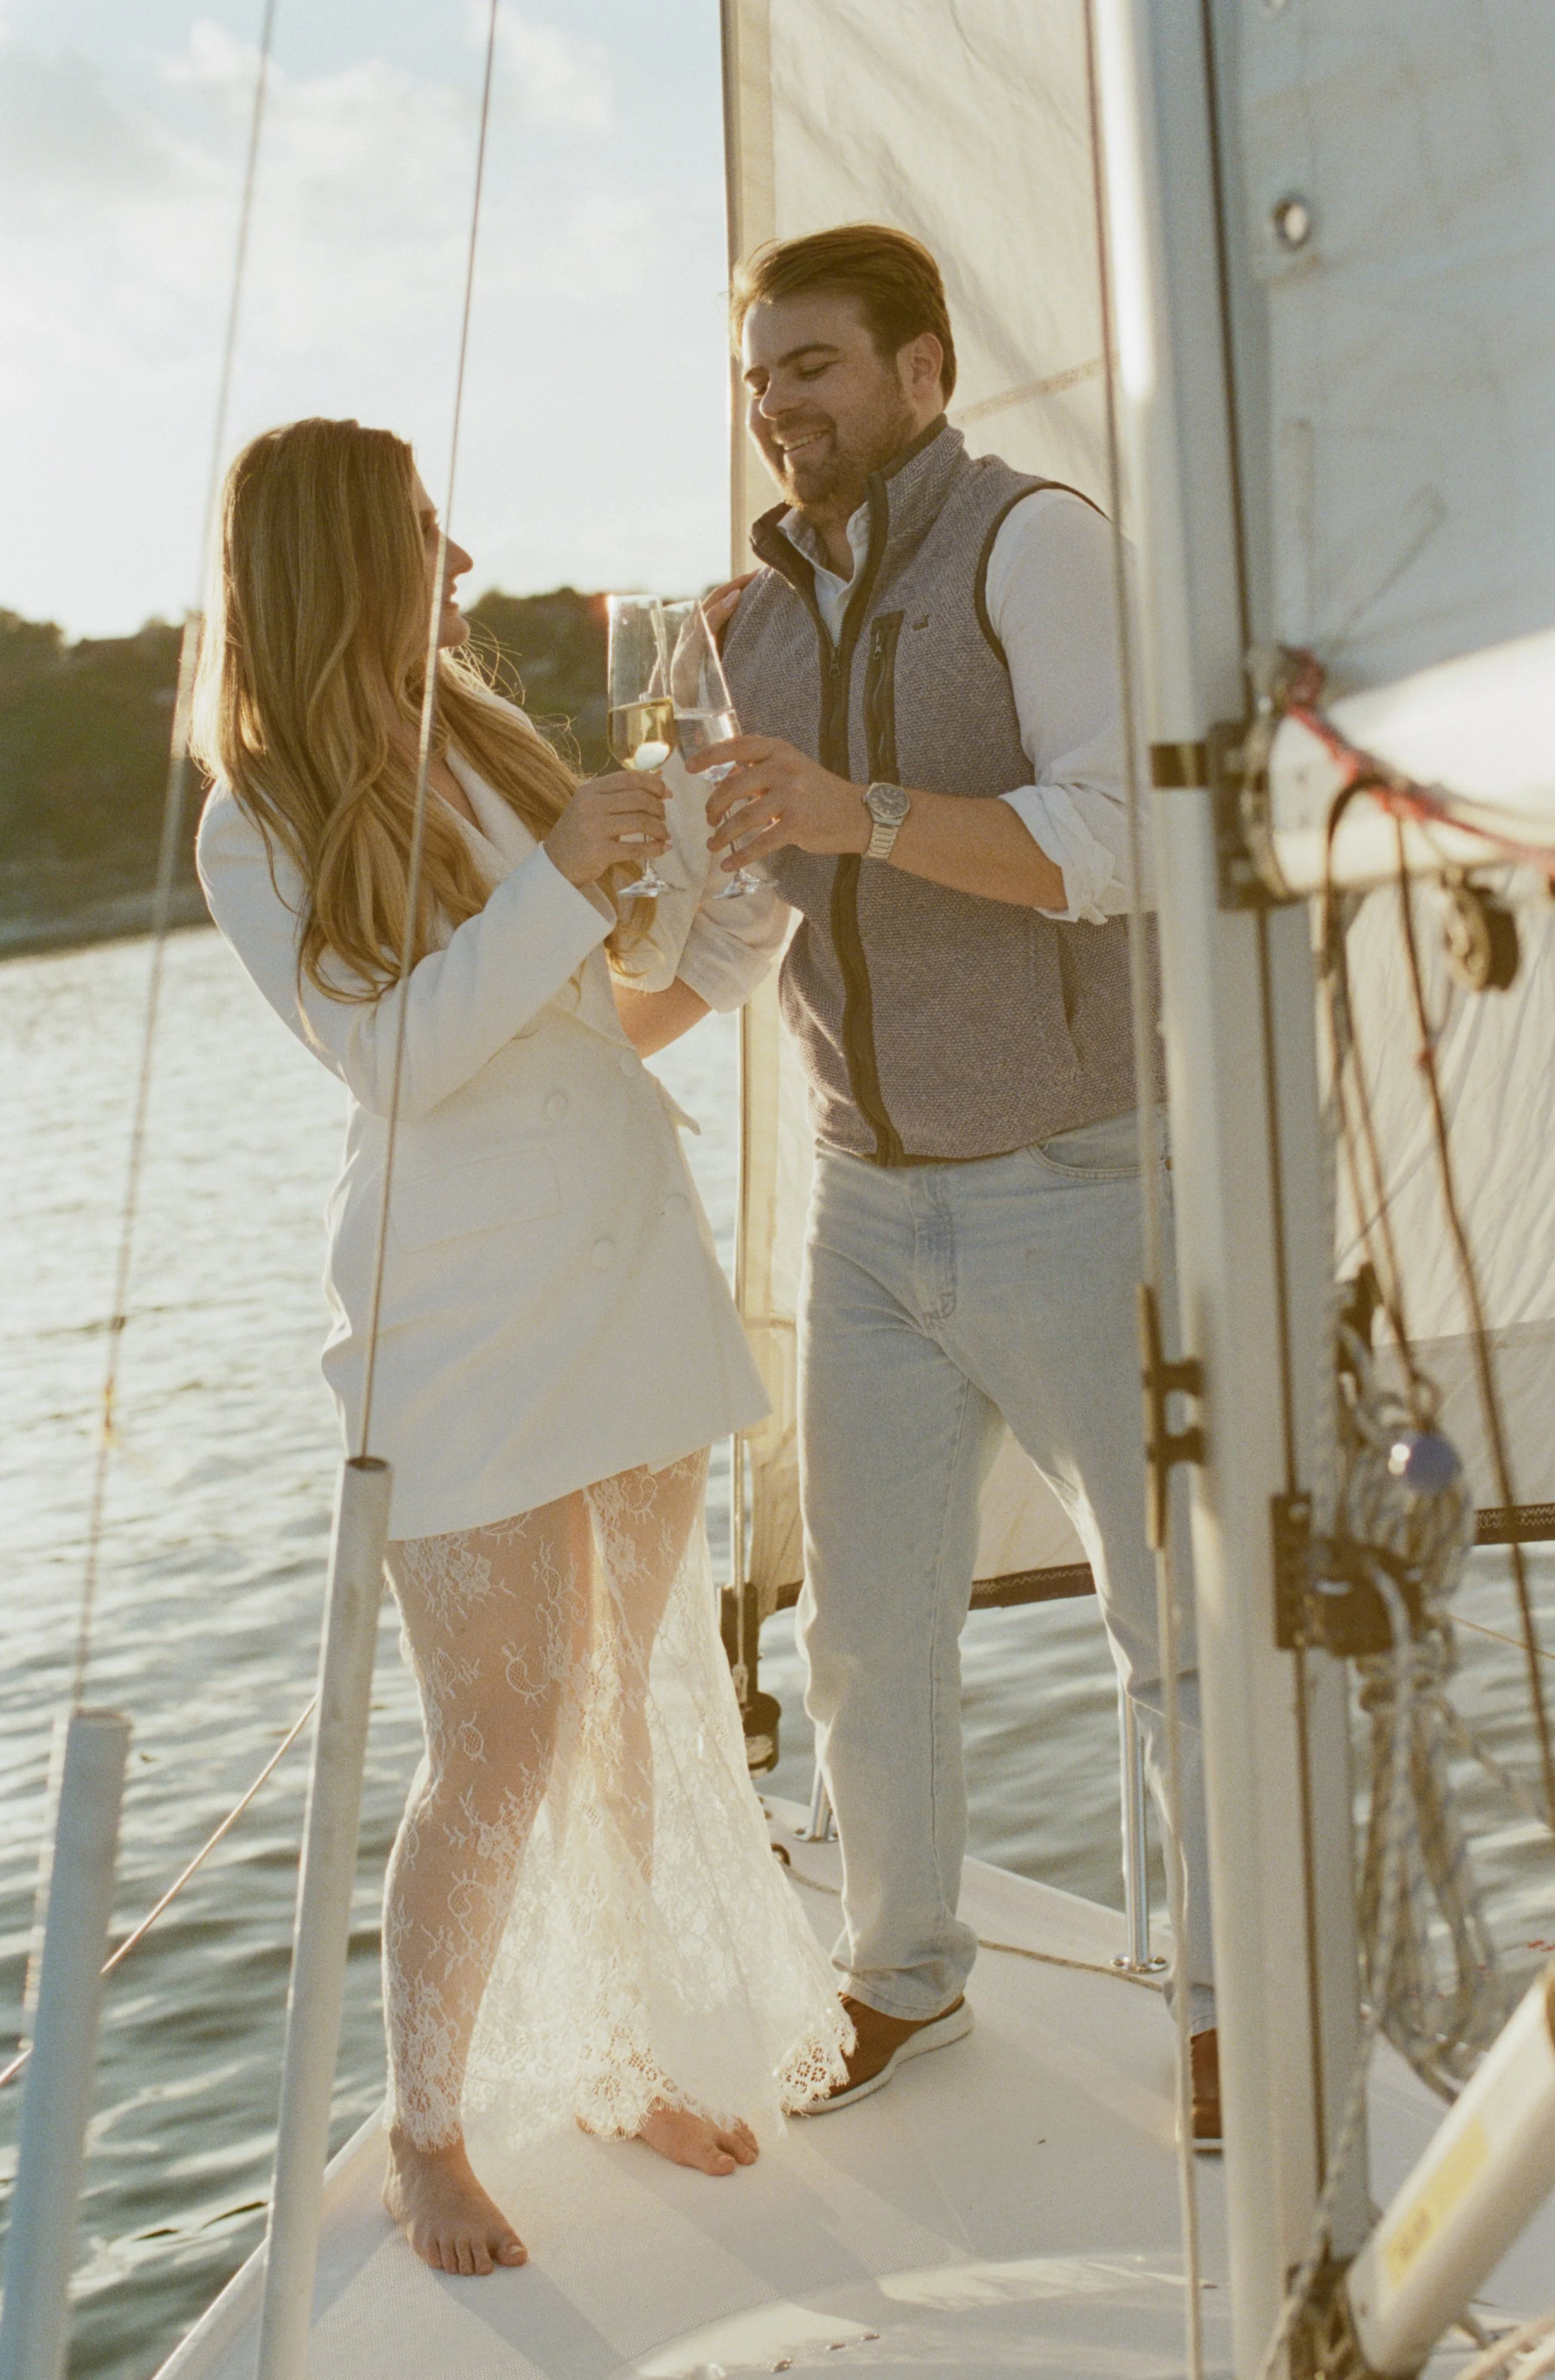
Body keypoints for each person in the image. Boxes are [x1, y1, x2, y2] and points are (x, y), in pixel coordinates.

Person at [191, 417, 849, 2280]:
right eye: (425, 530)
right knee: (497, 1737)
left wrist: (724, 897)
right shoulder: (256, 820)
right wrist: (565, 869)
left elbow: (593, 1014)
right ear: (340, 557)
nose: (462, 561)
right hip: (458, 1323)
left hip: (626, 1268)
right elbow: (398, 1059)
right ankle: (427, 2130)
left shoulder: (480, 740)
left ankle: (618, 2056)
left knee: (629, 1700)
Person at [666, 223, 1221, 2140]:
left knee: (1175, 1627)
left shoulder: (1032, 545)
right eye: (758, 374)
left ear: (923, 371)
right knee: (863, 1627)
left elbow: (1124, 839)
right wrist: (607, 956)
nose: (778, 404)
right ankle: (900, 1976)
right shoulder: (736, 626)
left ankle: (1232, 2002)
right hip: (865, 1205)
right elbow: (744, 921)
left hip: (1081, 1176)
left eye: (812, 364)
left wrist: (864, 813)